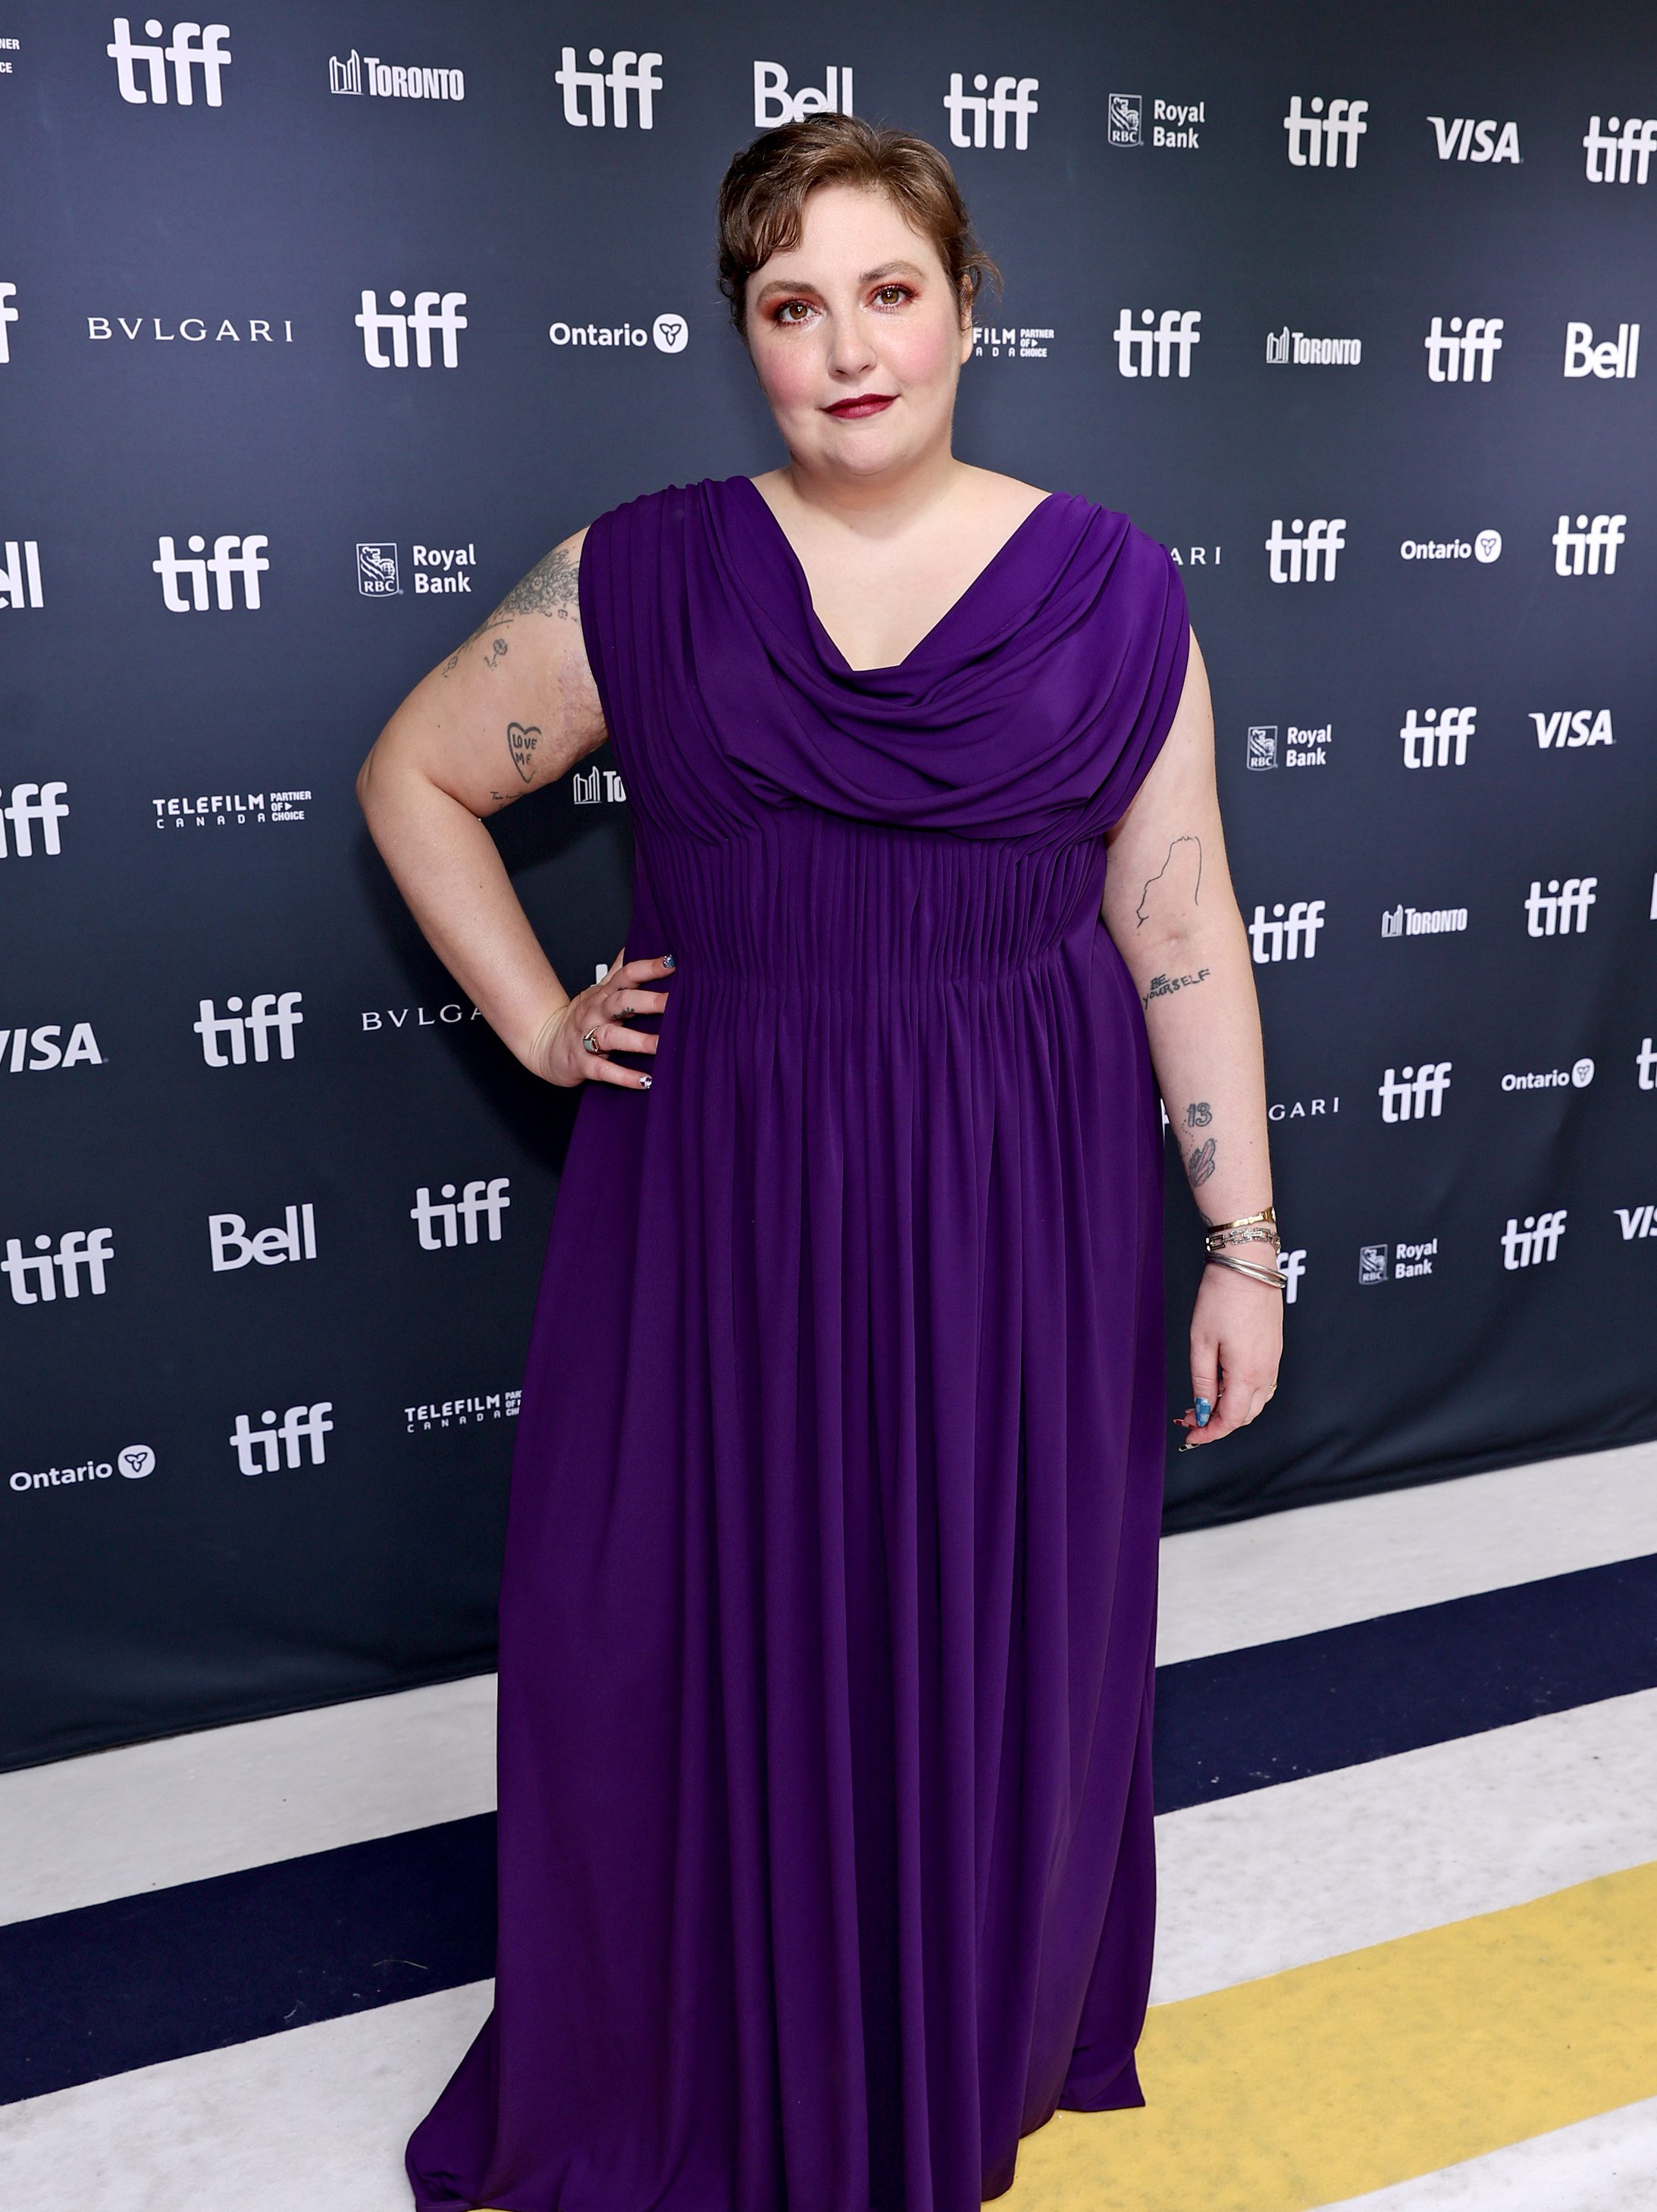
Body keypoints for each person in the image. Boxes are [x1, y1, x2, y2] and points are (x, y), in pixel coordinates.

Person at [357, 111, 1280, 2212]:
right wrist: (533, 1012)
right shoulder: (643, 570)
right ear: (741, 333)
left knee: (986, 1628)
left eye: (889, 291)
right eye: (792, 304)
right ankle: (706, 2039)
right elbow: (414, 772)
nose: (846, 347)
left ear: (968, 306)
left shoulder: (1115, 588)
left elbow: (1182, 925)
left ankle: (943, 2033)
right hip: (723, 1184)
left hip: (1018, 1194)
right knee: (674, 1628)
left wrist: (1240, 1243)